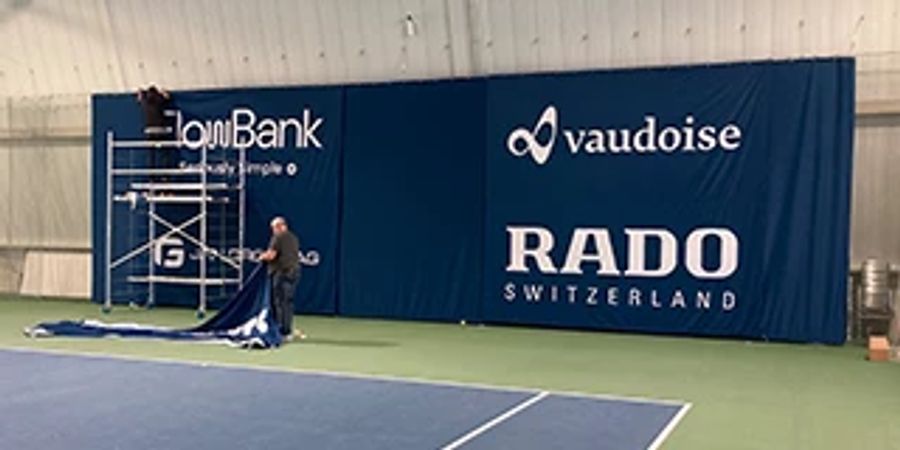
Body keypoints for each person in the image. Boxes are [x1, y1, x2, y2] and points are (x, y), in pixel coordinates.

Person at [258, 216, 304, 342]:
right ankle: (286, 330)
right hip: (294, 273)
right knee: (288, 303)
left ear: (279, 226)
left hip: (282, 274)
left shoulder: (278, 238)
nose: (273, 231)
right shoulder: (293, 237)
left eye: (273, 228)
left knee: (280, 303)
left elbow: (271, 255)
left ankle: (282, 331)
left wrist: (262, 257)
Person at [136, 85, 174, 184]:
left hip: (150, 131)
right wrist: (163, 93)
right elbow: (167, 96)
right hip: (161, 130)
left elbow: (140, 97)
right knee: (165, 154)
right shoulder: (159, 100)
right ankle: (165, 176)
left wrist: (141, 93)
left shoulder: (146, 102)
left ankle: (151, 177)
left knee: (151, 155)